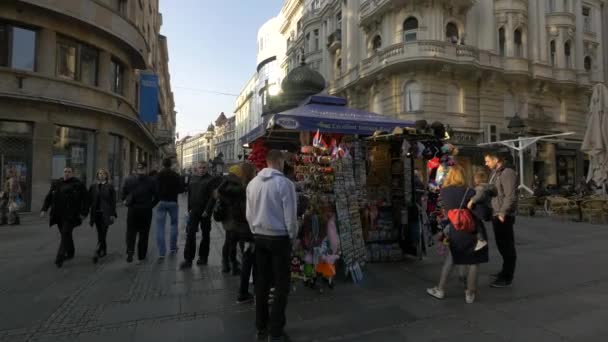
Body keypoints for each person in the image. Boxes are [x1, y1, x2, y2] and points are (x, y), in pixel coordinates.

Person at [246, 150, 298, 341]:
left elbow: (249, 214)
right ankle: (275, 330)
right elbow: (290, 216)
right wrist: (292, 236)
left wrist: (255, 230)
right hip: (279, 239)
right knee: (281, 285)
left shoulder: (252, 184)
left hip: (259, 237)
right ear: (279, 162)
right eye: (283, 161)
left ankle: (261, 326)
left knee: (262, 283)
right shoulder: (285, 184)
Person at [426, 166, 489, 304]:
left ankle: (440, 289)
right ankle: (470, 294)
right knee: (474, 261)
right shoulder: (469, 191)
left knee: (451, 258)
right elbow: (482, 214)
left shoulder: (444, 192)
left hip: (455, 230)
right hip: (471, 230)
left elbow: (442, 209)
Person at [215, 162, 257, 304]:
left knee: (234, 245)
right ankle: (244, 289)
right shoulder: (243, 189)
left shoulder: (228, 187)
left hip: (235, 223)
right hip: (244, 225)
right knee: (247, 255)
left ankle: (230, 265)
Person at [41, 167, 89, 268]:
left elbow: (86, 199)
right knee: (66, 234)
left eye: (69, 172)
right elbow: (49, 197)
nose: (66, 173)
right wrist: (44, 209)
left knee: (65, 232)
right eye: (65, 171)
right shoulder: (57, 183)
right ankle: (71, 252)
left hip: (71, 214)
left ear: (73, 173)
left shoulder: (78, 184)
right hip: (58, 214)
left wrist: (84, 213)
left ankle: (60, 256)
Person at [180, 161, 222, 269]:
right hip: (194, 211)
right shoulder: (192, 178)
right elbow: (189, 194)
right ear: (196, 168)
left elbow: (213, 197)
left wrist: (207, 210)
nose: (202, 169)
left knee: (205, 235)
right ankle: (188, 259)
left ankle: (203, 257)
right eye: (200, 167)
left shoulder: (211, 179)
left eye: (204, 168)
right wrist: (189, 209)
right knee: (190, 234)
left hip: (205, 212)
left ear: (207, 168)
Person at [485, 152, 518, 288]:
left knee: (507, 246)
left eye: (488, 161)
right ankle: (504, 271)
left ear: (496, 159)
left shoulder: (507, 172)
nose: (486, 163)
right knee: (501, 245)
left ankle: (507, 277)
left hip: (503, 215)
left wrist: (502, 213)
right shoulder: (495, 173)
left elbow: (510, 196)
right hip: (496, 213)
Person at [121, 161, 159, 264]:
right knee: (143, 233)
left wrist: (126, 202)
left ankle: (130, 251)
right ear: (146, 169)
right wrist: (150, 206)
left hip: (133, 210)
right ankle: (141, 255)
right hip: (145, 210)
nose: (141, 170)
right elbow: (157, 196)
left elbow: (123, 194)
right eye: (141, 169)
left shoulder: (129, 180)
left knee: (131, 232)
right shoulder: (151, 181)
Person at [155, 158, 183, 261]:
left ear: (163, 164)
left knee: (160, 227)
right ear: (171, 165)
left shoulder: (159, 175)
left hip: (161, 202)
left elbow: (156, 189)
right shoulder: (176, 175)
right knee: (174, 225)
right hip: (173, 202)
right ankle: (173, 248)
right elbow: (181, 189)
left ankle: (162, 252)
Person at [88, 169, 117, 263]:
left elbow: (113, 202)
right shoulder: (93, 187)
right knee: (100, 233)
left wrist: (112, 214)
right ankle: (103, 250)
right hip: (96, 214)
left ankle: (96, 251)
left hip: (106, 214)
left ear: (106, 176)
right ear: (97, 175)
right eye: (99, 173)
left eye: (103, 174)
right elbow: (89, 200)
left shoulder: (110, 187)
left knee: (103, 233)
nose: (101, 175)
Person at [467, 170, 497, 251]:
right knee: (477, 222)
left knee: (475, 221)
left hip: (482, 209)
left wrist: (471, 201)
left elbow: (480, 195)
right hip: (487, 209)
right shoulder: (488, 187)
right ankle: (480, 238)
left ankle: (481, 239)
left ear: (477, 179)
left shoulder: (481, 187)